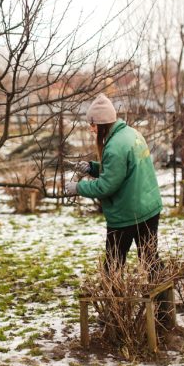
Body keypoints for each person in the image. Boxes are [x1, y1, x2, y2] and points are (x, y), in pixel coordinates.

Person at [65, 93, 163, 276]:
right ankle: (165, 302)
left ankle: (113, 302)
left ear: (102, 124)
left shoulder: (114, 146)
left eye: (92, 125)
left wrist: (77, 188)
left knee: (113, 264)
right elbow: (121, 170)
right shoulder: (131, 134)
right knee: (150, 259)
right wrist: (92, 168)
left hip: (127, 214)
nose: (91, 129)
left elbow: (106, 186)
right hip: (148, 208)